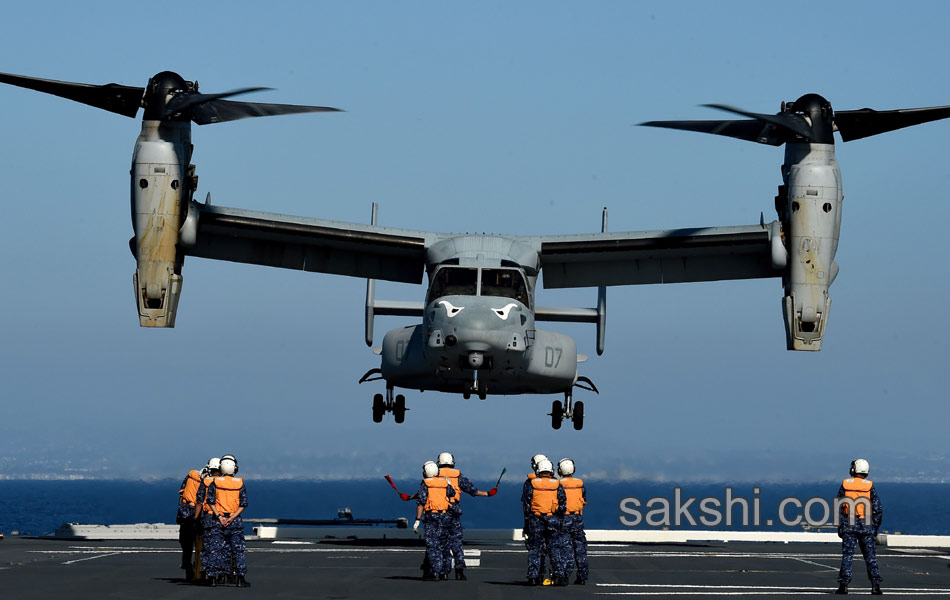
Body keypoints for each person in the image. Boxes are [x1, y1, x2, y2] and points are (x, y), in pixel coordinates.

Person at [436, 451, 497, 581]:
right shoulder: (458, 476)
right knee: (456, 543)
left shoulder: (434, 475)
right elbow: (472, 491)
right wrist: (488, 493)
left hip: (439, 513)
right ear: (452, 462)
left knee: (443, 544)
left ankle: (444, 572)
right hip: (454, 512)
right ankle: (459, 572)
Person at [835, 458, 883, 595]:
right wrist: (875, 528)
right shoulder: (869, 486)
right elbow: (877, 509)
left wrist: (840, 525)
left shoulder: (845, 484)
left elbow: (838, 505)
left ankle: (843, 586)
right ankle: (875, 586)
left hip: (849, 525)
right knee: (871, 557)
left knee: (848, 556)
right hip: (867, 525)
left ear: (853, 469)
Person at [201, 454, 249, 587]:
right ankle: (240, 578)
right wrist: (232, 517)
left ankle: (212, 578)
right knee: (237, 550)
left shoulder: (215, 482)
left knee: (214, 549)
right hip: (235, 521)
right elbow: (243, 504)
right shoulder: (239, 483)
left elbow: (210, 501)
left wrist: (219, 516)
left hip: (218, 521)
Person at [523, 458, 569, 586]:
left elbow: (527, 505)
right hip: (553, 520)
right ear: (551, 470)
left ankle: (533, 577)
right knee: (555, 549)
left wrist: (528, 522)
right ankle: (559, 576)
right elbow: (563, 505)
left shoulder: (532, 484)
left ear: (538, 470)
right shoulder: (557, 485)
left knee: (535, 550)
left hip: (536, 520)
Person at [414, 460, 455, 581]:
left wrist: (417, 520)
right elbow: (451, 493)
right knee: (445, 545)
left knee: (433, 545)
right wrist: (448, 483)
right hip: (445, 517)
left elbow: (421, 503)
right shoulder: (444, 483)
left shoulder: (425, 484)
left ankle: (435, 572)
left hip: (432, 518)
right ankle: (445, 572)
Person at [557, 458, 589, 585]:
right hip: (577, 518)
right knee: (580, 547)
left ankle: (565, 575)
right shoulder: (580, 484)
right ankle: (582, 576)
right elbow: (583, 500)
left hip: (563, 518)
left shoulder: (557, 484)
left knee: (566, 548)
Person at [194, 457, 220, 582]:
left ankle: (207, 575)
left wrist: (196, 518)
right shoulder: (226, 482)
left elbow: (199, 501)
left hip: (207, 516)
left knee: (207, 547)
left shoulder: (206, 482)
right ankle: (221, 573)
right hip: (223, 517)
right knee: (222, 546)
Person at [176, 464, 204, 580]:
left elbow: (182, 495)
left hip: (185, 514)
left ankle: (187, 566)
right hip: (200, 516)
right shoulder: (210, 482)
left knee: (186, 545)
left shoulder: (190, 477)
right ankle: (199, 568)